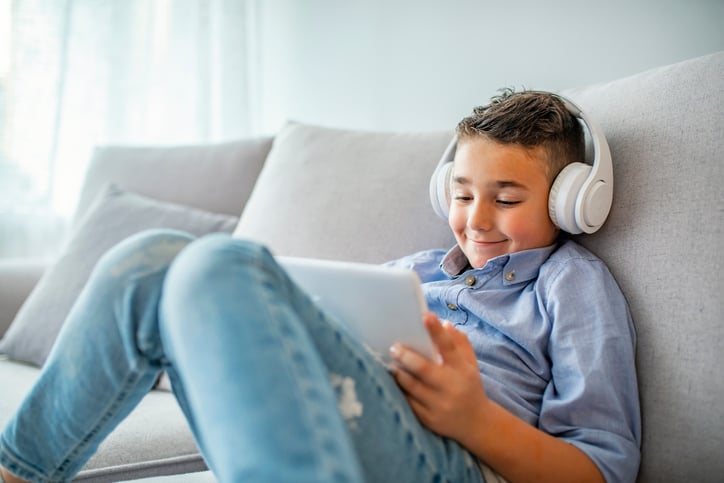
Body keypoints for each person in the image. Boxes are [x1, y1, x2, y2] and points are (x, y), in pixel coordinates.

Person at [0, 89, 640, 483]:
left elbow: (604, 468)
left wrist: (473, 420)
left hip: (457, 462)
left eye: (506, 199)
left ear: (567, 202)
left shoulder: (571, 286)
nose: (475, 219)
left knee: (218, 263)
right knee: (153, 257)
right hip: (332, 423)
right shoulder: (411, 273)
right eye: (464, 194)